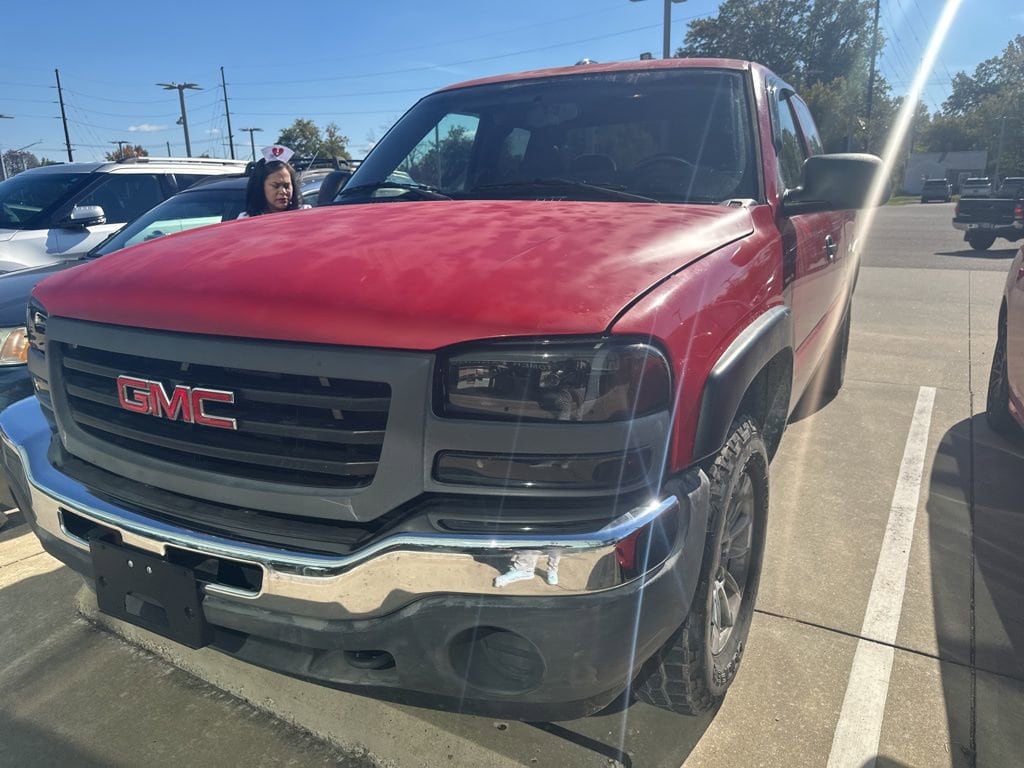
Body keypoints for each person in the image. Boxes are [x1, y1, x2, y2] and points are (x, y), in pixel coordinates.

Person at [238, 145, 309, 218]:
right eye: (276, 186)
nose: (283, 191)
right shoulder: (246, 220)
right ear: (260, 187)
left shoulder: (305, 214)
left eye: (286, 186)